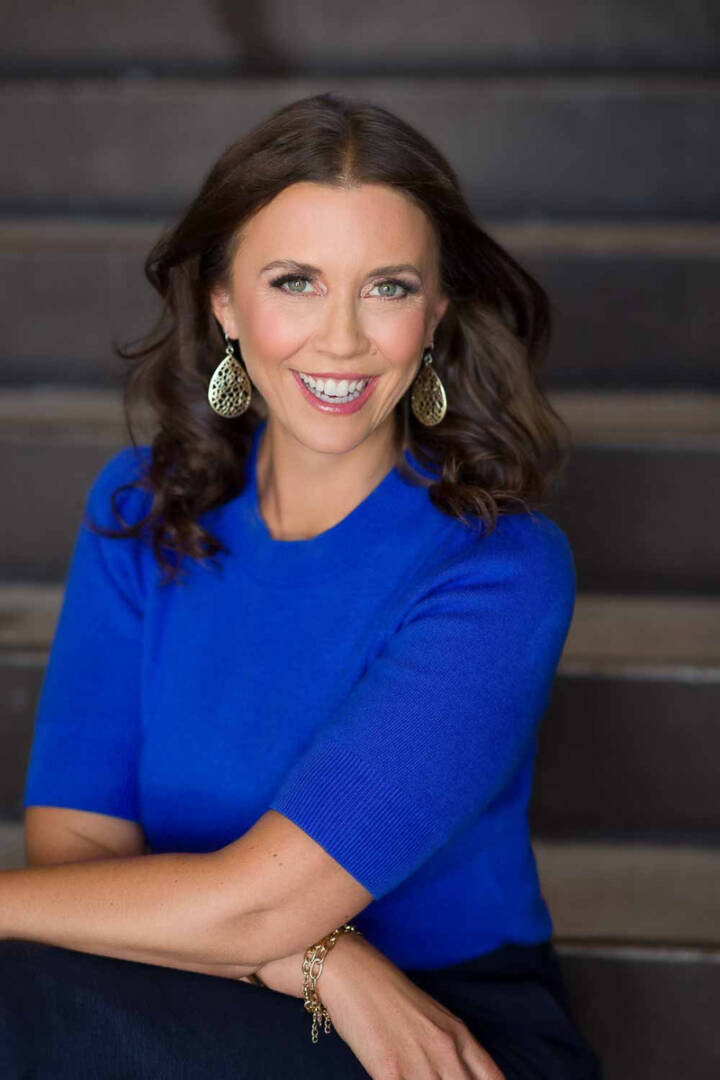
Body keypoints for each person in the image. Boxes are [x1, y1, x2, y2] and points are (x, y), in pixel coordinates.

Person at [1, 92, 603, 1079]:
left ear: (437, 309)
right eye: (295, 282)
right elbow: (74, 850)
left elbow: (264, 903)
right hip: (208, 986)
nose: (342, 340)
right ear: (224, 303)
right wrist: (317, 959)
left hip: (435, 1032)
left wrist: (280, 938)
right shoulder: (142, 505)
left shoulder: (498, 568)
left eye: (388, 288)